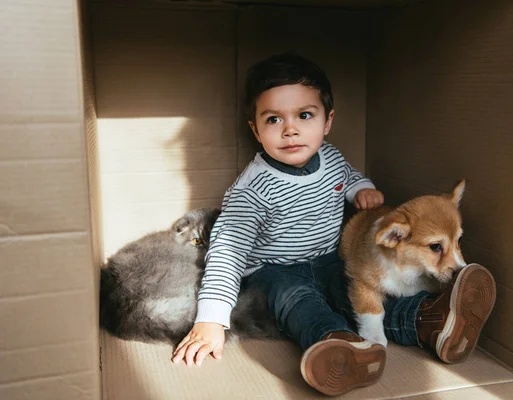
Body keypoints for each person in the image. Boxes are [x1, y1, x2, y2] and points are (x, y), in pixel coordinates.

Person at [172, 53, 496, 397]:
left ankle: (427, 320)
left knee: (355, 295)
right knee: (298, 301)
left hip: (328, 259)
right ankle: (334, 345)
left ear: (327, 121)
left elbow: (347, 176)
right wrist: (211, 319)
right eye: (272, 120)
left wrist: (363, 189)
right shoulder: (252, 190)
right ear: (255, 128)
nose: (291, 129)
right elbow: (226, 251)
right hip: (273, 269)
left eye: (305, 115)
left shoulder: (329, 156)